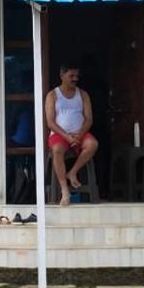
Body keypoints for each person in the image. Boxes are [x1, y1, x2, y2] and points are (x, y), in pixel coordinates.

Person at [44, 64, 98, 204]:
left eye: (76, 76)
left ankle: (73, 172)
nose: (75, 79)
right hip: (60, 135)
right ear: (62, 76)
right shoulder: (52, 95)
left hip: (80, 134)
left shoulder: (83, 94)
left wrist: (79, 135)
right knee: (56, 150)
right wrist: (67, 136)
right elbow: (50, 122)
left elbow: (89, 119)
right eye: (71, 76)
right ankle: (64, 190)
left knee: (92, 144)